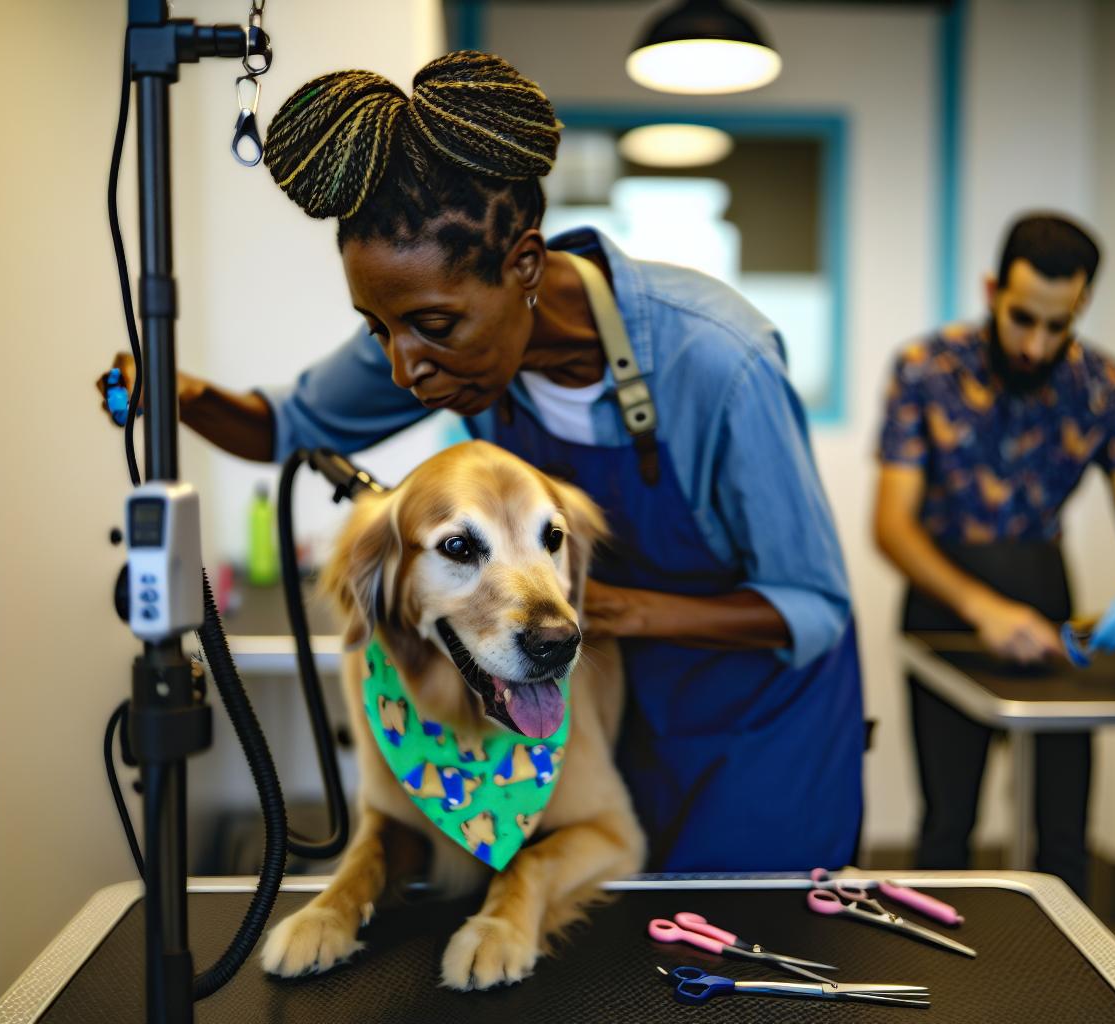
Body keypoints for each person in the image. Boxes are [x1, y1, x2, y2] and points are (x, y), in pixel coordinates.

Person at [97, 53, 862, 872]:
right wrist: (180, 393)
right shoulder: (442, 335)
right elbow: (289, 424)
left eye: (429, 325)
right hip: (599, 708)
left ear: (523, 266)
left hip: (757, 735)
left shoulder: (719, 363)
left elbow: (813, 604)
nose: (403, 369)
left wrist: (620, 612)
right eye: (378, 328)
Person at [872, 212, 1115, 897]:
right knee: (949, 823)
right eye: (1021, 320)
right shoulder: (924, 369)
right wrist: (983, 609)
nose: (1036, 345)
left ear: (1082, 306)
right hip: (945, 608)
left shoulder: (1106, 385)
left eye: (1057, 325)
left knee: (1062, 829)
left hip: (1046, 596)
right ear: (991, 289)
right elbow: (892, 527)